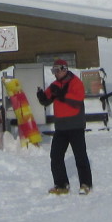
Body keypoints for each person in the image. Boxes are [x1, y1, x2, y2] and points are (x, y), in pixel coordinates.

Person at [37, 59, 93, 195]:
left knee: (80, 156)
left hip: (75, 125)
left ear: (64, 69)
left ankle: (86, 184)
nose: (55, 73)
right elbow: (47, 99)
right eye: (53, 71)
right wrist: (41, 97)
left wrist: (61, 94)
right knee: (55, 156)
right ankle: (61, 184)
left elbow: (77, 100)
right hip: (61, 127)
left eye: (57, 70)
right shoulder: (55, 85)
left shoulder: (76, 83)